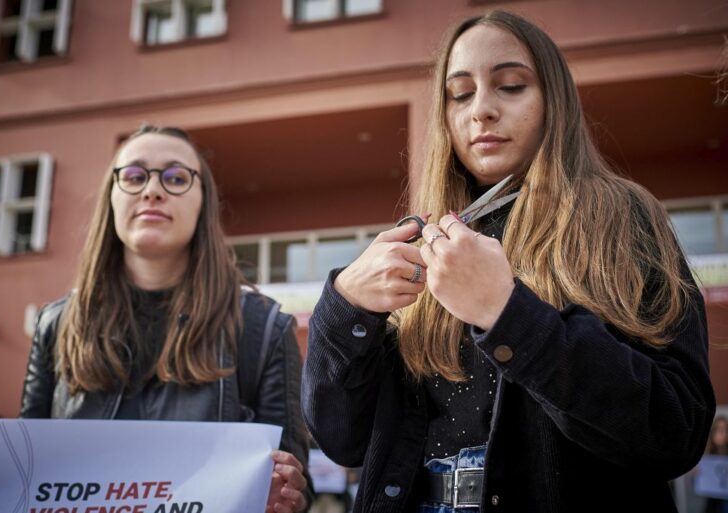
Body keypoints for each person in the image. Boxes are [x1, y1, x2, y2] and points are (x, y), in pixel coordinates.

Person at [301, 10, 715, 513]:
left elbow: (678, 429)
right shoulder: (421, 238)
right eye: (460, 94)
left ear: (552, 100)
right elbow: (343, 441)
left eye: (511, 85)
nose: (482, 110)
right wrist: (343, 310)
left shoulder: (622, 215)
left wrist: (507, 313)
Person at [0, 125, 310, 512]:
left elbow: (296, 487)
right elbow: (25, 474)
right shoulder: (55, 324)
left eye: (177, 177)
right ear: (111, 197)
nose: (153, 190)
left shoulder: (264, 328)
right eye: (134, 176)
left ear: (203, 203)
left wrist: (287, 495)